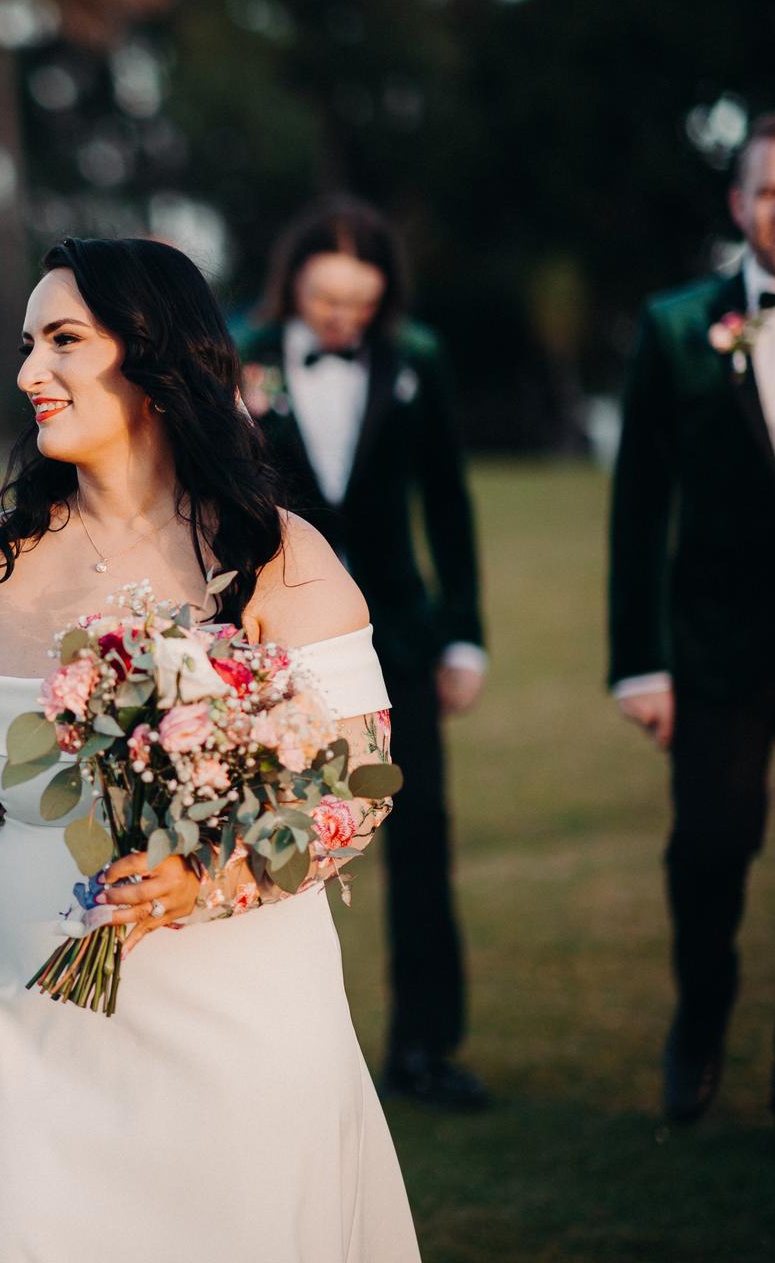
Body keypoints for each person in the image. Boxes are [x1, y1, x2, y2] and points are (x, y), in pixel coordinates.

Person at [0, 236, 418, 1258]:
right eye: (25, 344)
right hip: (21, 1026)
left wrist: (209, 880)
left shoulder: (279, 556)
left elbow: (355, 791)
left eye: (63, 339)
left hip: (240, 1033)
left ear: (154, 356)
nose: (27, 374)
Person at [237, 197, 490, 1110]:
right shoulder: (238, 354)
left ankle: (427, 1048)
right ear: (295, 283)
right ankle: (270, 1055)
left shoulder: (417, 360)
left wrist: (462, 634)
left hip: (402, 637)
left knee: (421, 839)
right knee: (267, 832)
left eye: (360, 302)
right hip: (267, 636)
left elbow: (450, 508)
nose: (341, 317)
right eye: (326, 297)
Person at [610, 111, 775, 1156]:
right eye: (769, 192)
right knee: (713, 852)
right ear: (739, 205)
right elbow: (639, 508)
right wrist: (641, 660)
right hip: (717, 647)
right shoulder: (681, 326)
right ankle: (702, 1012)